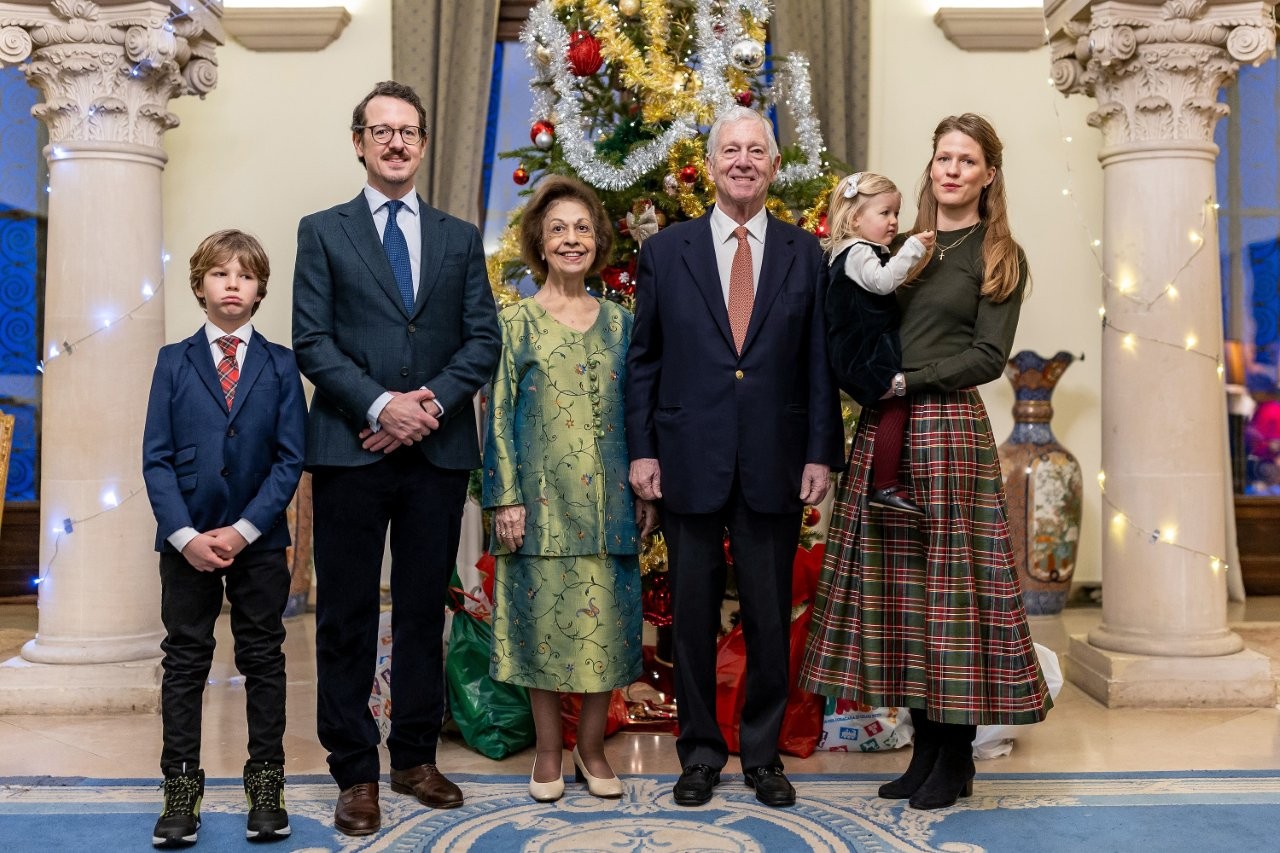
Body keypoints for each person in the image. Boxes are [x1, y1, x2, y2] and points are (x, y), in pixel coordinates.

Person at [800, 113, 1053, 811]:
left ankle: (957, 757)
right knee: (909, 601)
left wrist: (908, 380)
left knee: (953, 600)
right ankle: (925, 752)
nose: (951, 170)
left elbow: (987, 357)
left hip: (944, 427)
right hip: (886, 427)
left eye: (966, 160)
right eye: (943, 157)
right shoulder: (896, 242)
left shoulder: (1000, 255)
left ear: (988, 175)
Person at [292, 80, 500, 836]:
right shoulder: (322, 230)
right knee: (344, 615)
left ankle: (414, 755)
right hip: (350, 451)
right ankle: (353, 769)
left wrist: (426, 407)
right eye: (380, 131)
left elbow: (483, 338)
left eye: (408, 130)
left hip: (437, 452)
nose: (395, 142)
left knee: (421, 610)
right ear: (359, 142)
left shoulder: (457, 235)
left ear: (422, 142)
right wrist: (381, 406)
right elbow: (312, 339)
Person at [626, 105, 844, 808]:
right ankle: (698, 754)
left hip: (776, 461)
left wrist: (820, 452)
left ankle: (762, 753)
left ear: (774, 167)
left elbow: (818, 362)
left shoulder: (803, 253)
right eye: (731, 150)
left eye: (757, 150)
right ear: (710, 164)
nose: (744, 160)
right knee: (689, 618)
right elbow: (644, 363)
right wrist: (642, 454)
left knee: (768, 616)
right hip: (689, 458)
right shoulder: (666, 252)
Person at [482, 175, 658, 803]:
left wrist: (646, 488)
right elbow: (497, 414)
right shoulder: (515, 323)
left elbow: (644, 412)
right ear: (539, 240)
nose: (571, 238)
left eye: (582, 227)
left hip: (610, 506)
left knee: (605, 632)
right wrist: (503, 496)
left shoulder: (623, 322)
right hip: (538, 509)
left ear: (599, 240)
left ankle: (590, 749)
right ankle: (549, 752)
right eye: (558, 228)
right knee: (538, 630)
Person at [142, 229, 307, 847]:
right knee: (185, 662)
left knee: (262, 659)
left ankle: (266, 785)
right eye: (219, 273)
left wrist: (242, 531)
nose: (232, 283)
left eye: (244, 274)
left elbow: (290, 459)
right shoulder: (171, 361)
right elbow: (156, 458)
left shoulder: (281, 363)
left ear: (261, 288)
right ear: (199, 285)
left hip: (257, 541)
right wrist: (184, 534)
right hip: (185, 541)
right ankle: (180, 790)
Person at [822, 171, 935, 516]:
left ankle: (885, 483)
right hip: (865, 355)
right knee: (897, 405)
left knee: (892, 408)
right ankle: (885, 485)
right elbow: (884, 281)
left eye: (896, 213)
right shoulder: (857, 252)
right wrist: (913, 247)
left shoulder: (849, 250)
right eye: (884, 213)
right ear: (855, 218)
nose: (893, 222)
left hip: (860, 350)